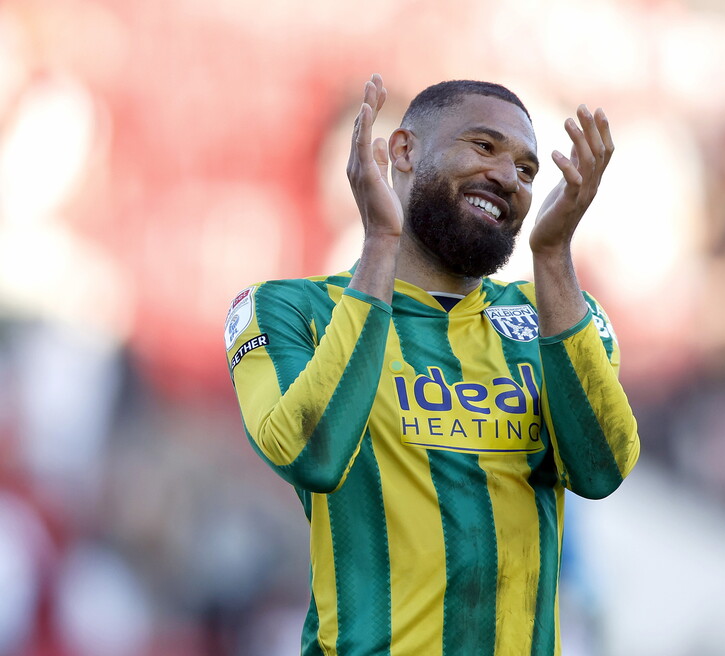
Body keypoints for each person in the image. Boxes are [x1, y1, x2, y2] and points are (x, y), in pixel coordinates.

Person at [224, 74, 640, 656]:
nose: (507, 177)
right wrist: (380, 244)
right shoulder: (288, 309)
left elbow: (601, 470)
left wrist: (552, 256)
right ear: (403, 151)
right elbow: (311, 455)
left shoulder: (558, 317)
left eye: (527, 170)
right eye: (484, 146)